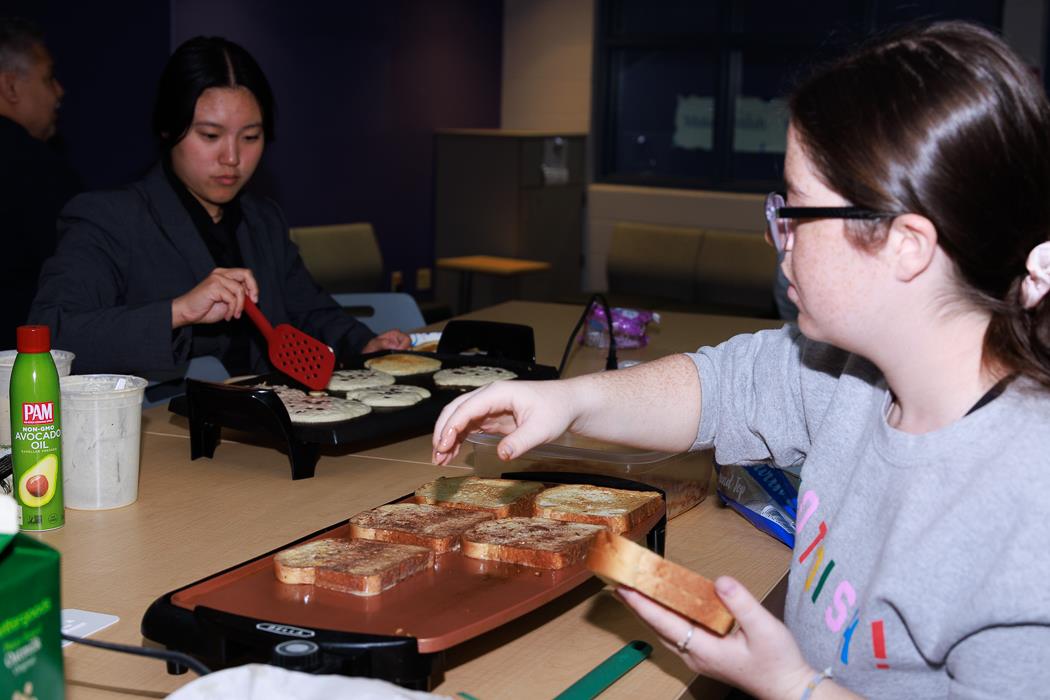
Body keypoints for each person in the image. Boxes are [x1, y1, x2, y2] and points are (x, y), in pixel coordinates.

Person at [431, 21, 1050, 698]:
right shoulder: (850, 373)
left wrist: (790, 685)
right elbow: (721, 388)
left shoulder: (1027, 514)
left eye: (798, 211)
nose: (778, 235)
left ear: (907, 245)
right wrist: (568, 401)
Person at [30, 36, 408, 382]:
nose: (232, 157)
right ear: (168, 130)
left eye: (251, 137)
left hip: (267, 414)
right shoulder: (108, 218)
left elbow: (309, 310)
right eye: (210, 135)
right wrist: (179, 310)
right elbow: (53, 335)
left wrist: (364, 343)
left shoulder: (263, 219)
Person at [0, 17, 79, 349]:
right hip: (20, 361)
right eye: (48, 78)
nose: (59, 91)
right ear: (10, 87)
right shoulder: (35, 168)